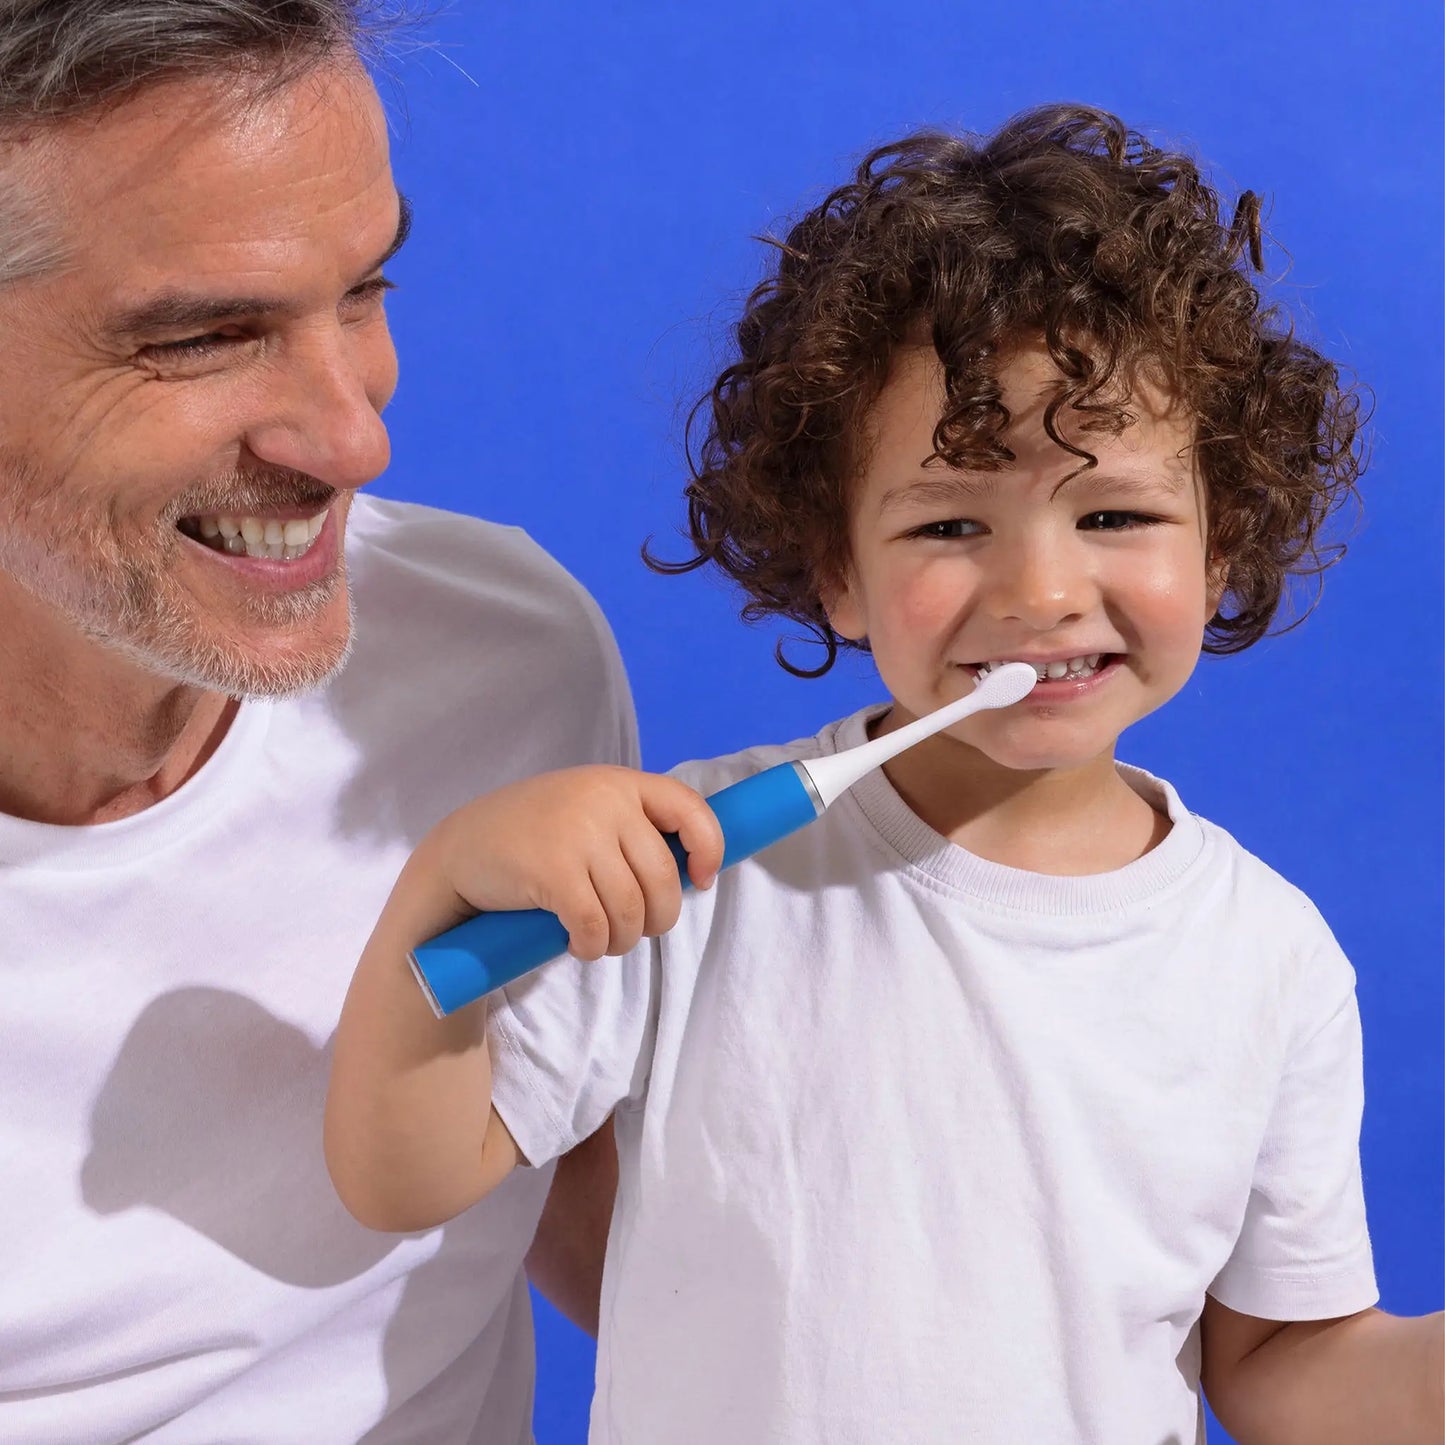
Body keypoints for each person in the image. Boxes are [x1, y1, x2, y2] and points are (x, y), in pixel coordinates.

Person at [324, 106, 1445, 1442]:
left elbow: (1281, 1363)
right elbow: (406, 1177)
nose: (1039, 589)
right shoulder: (690, 871)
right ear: (838, 570)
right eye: (951, 520)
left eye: (1114, 514)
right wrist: (444, 887)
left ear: (1220, 543)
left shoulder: (1271, 958)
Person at [0, 3, 629, 1441]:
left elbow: (609, 1224)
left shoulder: (507, 661)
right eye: (210, 337)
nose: (353, 438)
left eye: (363, 290)